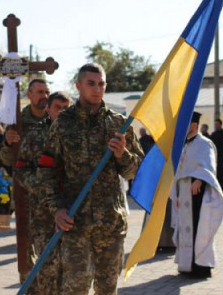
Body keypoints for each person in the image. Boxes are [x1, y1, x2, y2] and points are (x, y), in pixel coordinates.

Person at [37, 63, 143, 294]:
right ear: (78, 86)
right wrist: (57, 209)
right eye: (91, 83)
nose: (97, 89)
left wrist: (121, 154)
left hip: (110, 224)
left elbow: (135, 171)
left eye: (101, 84)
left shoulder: (118, 124)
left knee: (107, 289)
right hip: (75, 223)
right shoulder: (63, 124)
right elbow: (47, 169)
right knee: (76, 288)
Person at [16, 91, 71, 294]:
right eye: (58, 107)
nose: (62, 112)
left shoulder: (77, 136)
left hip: (72, 210)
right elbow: (21, 169)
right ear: (47, 109)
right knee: (48, 266)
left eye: (66, 108)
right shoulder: (34, 136)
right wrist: (41, 186)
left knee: (72, 269)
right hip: (43, 213)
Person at [0, 78, 50, 279]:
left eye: (46, 92)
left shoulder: (57, 118)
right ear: (29, 95)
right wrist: (8, 142)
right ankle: (28, 280)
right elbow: (5, 159)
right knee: (27, 238)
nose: (44, 96)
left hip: (52, 189)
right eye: (39, 92)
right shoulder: (17, 122)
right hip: (27, 190)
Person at [170, 111, 223, 279]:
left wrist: (200, 180)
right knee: (185, 228)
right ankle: (186, 265)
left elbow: (209, 166)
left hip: (198, 192)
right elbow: (179, 171)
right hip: (185, 191)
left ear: (193, 126)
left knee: (199, 228)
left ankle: (200, 267)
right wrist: (177, 194)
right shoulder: (184, 144)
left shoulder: (204, 143)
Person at [210, 119, 223, 194]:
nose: (216, 125)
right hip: (214, 154)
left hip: (220, 155)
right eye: (215, 124)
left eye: (217, 124)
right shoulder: (213, 134)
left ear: (220, 124)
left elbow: (220, 143)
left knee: (221, 171)